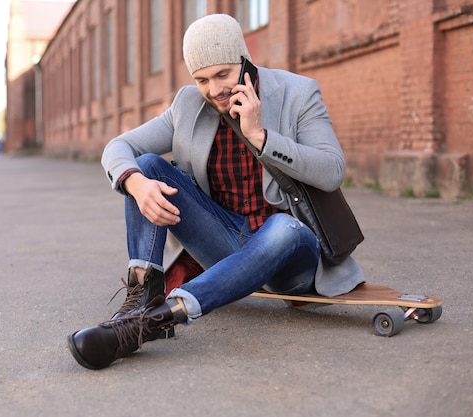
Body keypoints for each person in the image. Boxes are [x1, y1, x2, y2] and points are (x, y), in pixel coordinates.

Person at [67, 14, 365, 370]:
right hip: (226, 245)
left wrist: (261, 137)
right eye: (201, 79)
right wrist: (135, 183)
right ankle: (140, 306)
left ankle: (158, 321)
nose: (214, 90)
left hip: (290, 255)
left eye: (222, 75)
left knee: (284, 228)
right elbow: (118, 146)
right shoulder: (188, 104)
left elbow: (332, 171)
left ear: (243, 59)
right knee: (145, 165)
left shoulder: (297, 93)